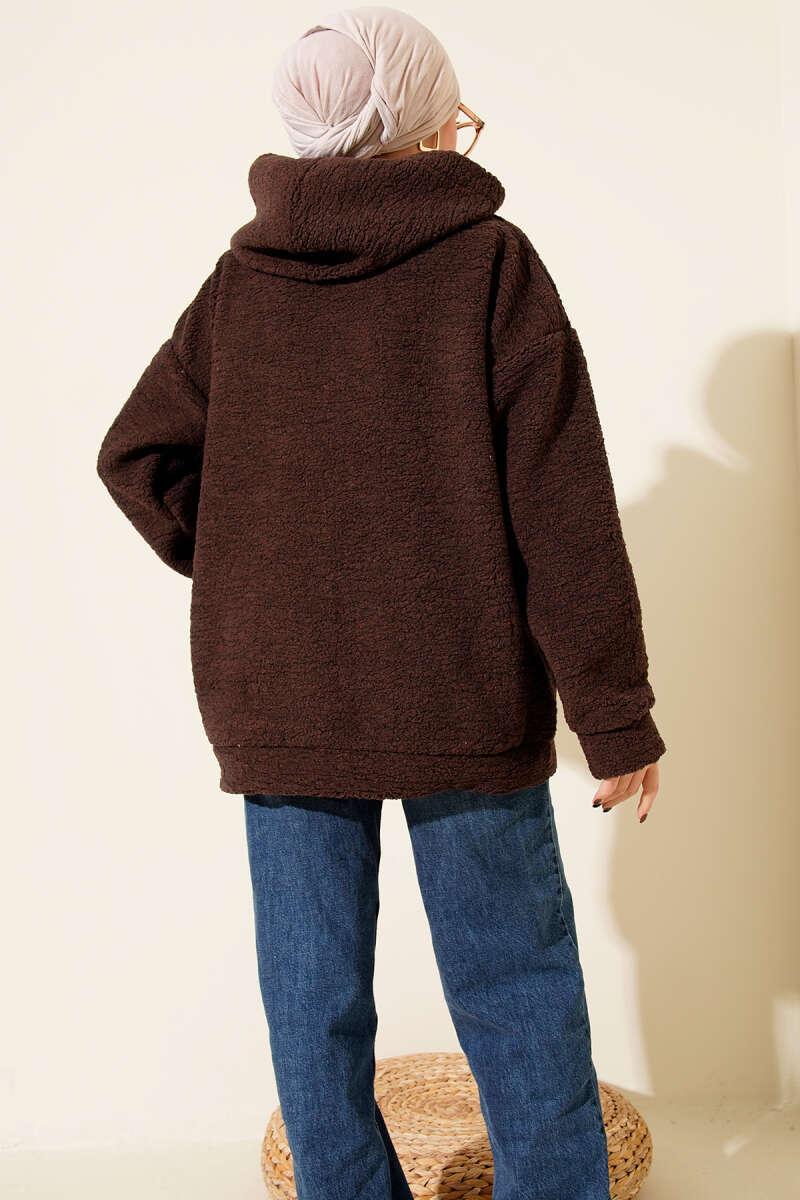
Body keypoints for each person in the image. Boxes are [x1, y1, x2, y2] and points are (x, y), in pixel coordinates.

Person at [96, 6, 666, 1198]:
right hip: (458, 689)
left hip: (278, 695)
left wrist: (260, 570)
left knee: (310, 1000)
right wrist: (613, 716)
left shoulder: (242, 278)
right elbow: (559, 503)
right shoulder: (488, 262)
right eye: (453, 116)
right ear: (418, 129)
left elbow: (137, 454)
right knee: (514, 980)